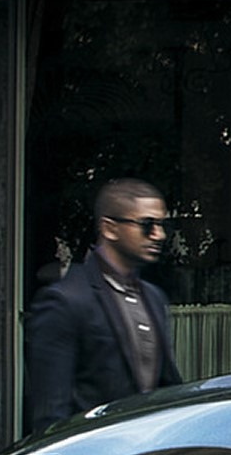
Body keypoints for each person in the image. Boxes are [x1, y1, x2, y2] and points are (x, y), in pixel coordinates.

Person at [25, 178, 183, 434]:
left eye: (163, 225)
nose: (159, 235)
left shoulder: (153, 297)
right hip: (92, 451)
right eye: (147, 225)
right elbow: (51, 414)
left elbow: (165, 388)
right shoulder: (65, 300)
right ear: (110, 229)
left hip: (148, 449)